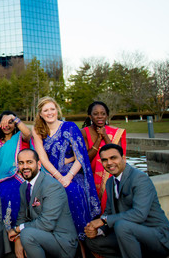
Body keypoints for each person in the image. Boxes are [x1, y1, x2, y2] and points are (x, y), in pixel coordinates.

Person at [84, 144, 169, 258]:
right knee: (92, 242)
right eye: (105, 160)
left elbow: (139, 214)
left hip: (157, 237)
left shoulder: (140, 178)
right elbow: (109, 212)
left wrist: (104, 221)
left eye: (113, 158)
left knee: (122, 227)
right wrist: (98, 231)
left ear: (124, 158)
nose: (109, 163)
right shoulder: (110, 182)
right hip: (128, 234)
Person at [31, 96, 100, 243]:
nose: (49, 113)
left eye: (52, 109)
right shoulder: (37, 130)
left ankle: (83, 238)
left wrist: (68, 177)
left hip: (72, 172)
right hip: (51, 172)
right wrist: (58, 176)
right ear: (40, 114)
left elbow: (80, 156)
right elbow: (42, 158)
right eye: (45, 110)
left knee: (72, 190)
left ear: (57, 110)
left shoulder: (70, 127)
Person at [8, 149, 78, 258]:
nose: (25, 166)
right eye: (21, 163)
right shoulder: (23, 187)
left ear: (39, 164)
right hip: (41, 236)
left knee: (27, 235)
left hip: (61, 242)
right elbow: (22, 216)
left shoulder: (51, 186)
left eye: (29, 162)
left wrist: (18, 230)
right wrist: (18, 237)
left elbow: (46, 223)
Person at [0, 83, 32, 232]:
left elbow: (29, 135)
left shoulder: (20, 137)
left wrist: (15, 119)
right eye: (3, 122)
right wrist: (0, 180)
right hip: (3, 179)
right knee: (3, 200)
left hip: (21, 177)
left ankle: (22, 231)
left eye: (10, 122)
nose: (6, 125)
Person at [81, 101, 126, 212]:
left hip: (111, 175)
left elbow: (117, 156)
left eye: (103, 113)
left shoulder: (115, 133)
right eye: (96, 114)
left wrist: (105, 135)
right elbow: (86, 159)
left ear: (107, 115)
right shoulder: (84, 132)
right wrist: (98, 139)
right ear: (90, 116)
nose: (100, 116)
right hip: (91, 176)